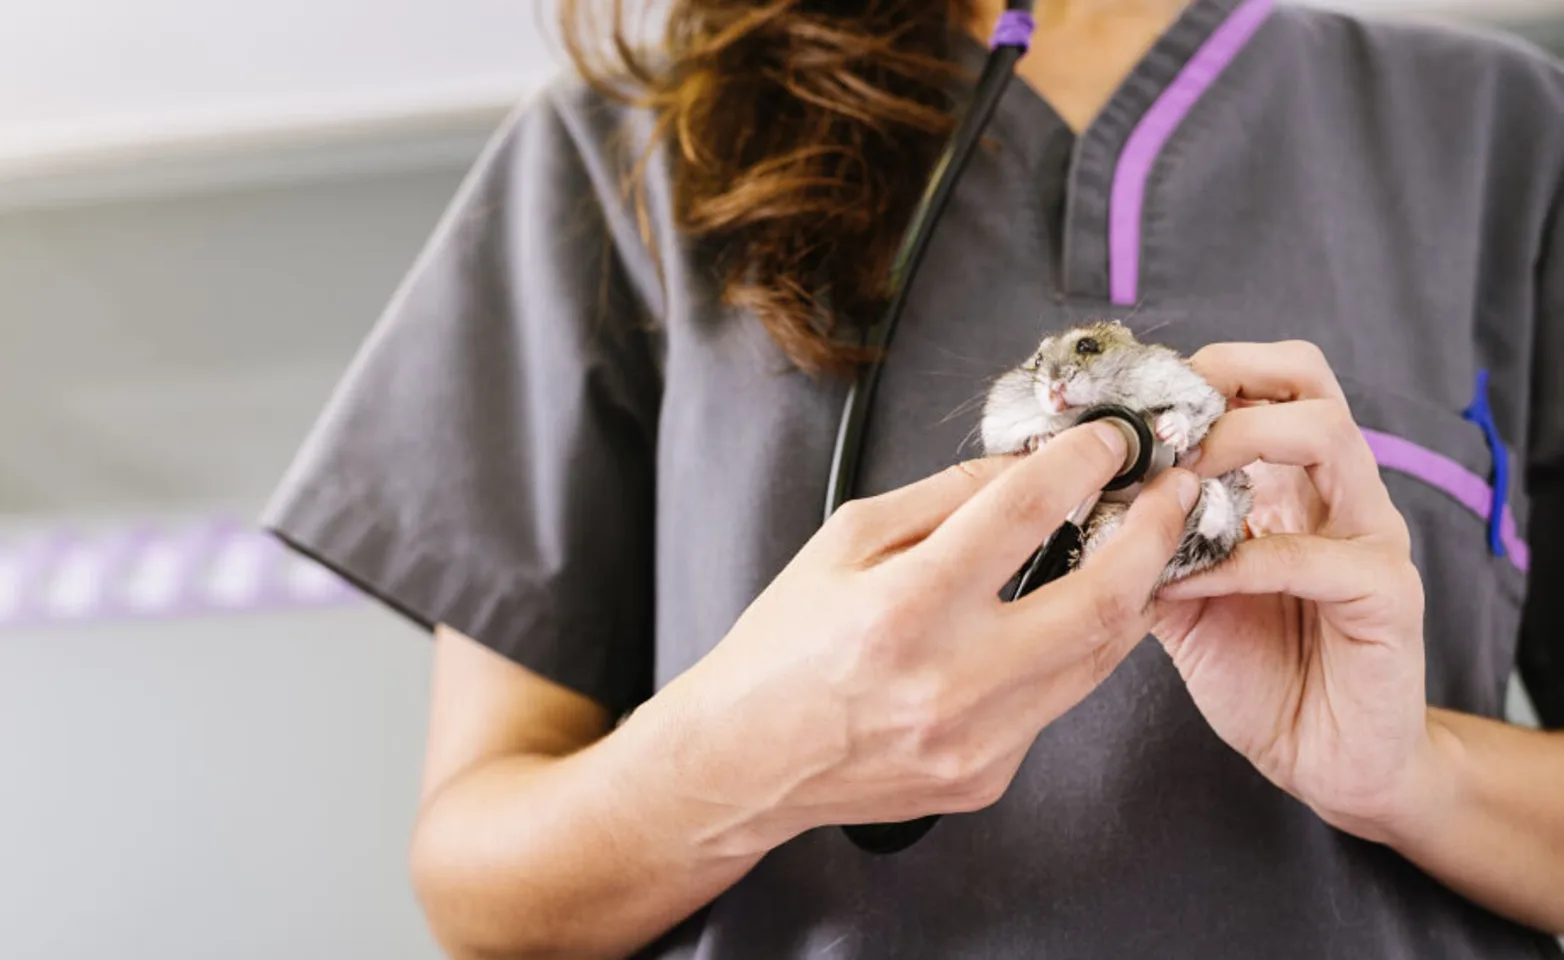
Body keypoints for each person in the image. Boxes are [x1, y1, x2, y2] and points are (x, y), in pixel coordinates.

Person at [260, 0, 1564, 956]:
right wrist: (758, 749)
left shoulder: (1505, 144)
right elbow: (482, 893)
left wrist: (1417, 773)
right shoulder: (634, 154)